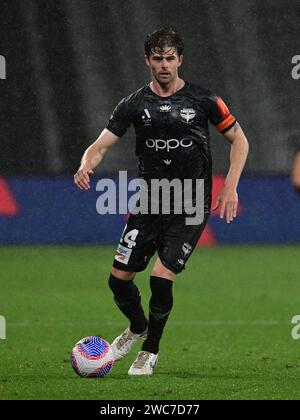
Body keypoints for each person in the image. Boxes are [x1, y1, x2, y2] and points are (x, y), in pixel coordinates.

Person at [74, 27, 249, 376]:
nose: (165, 65)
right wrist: (85, 163)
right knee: (118, 280)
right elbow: (102, 145)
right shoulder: (134, 104)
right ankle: (137, 327)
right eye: (158, 58)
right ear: (148, 61)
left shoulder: (204, 100)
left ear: (180, 60)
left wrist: (229, 187)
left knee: (160, 276)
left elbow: (239, 141)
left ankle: (150, 351)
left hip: (190, 204)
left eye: (170, 58)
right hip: (150, 203)